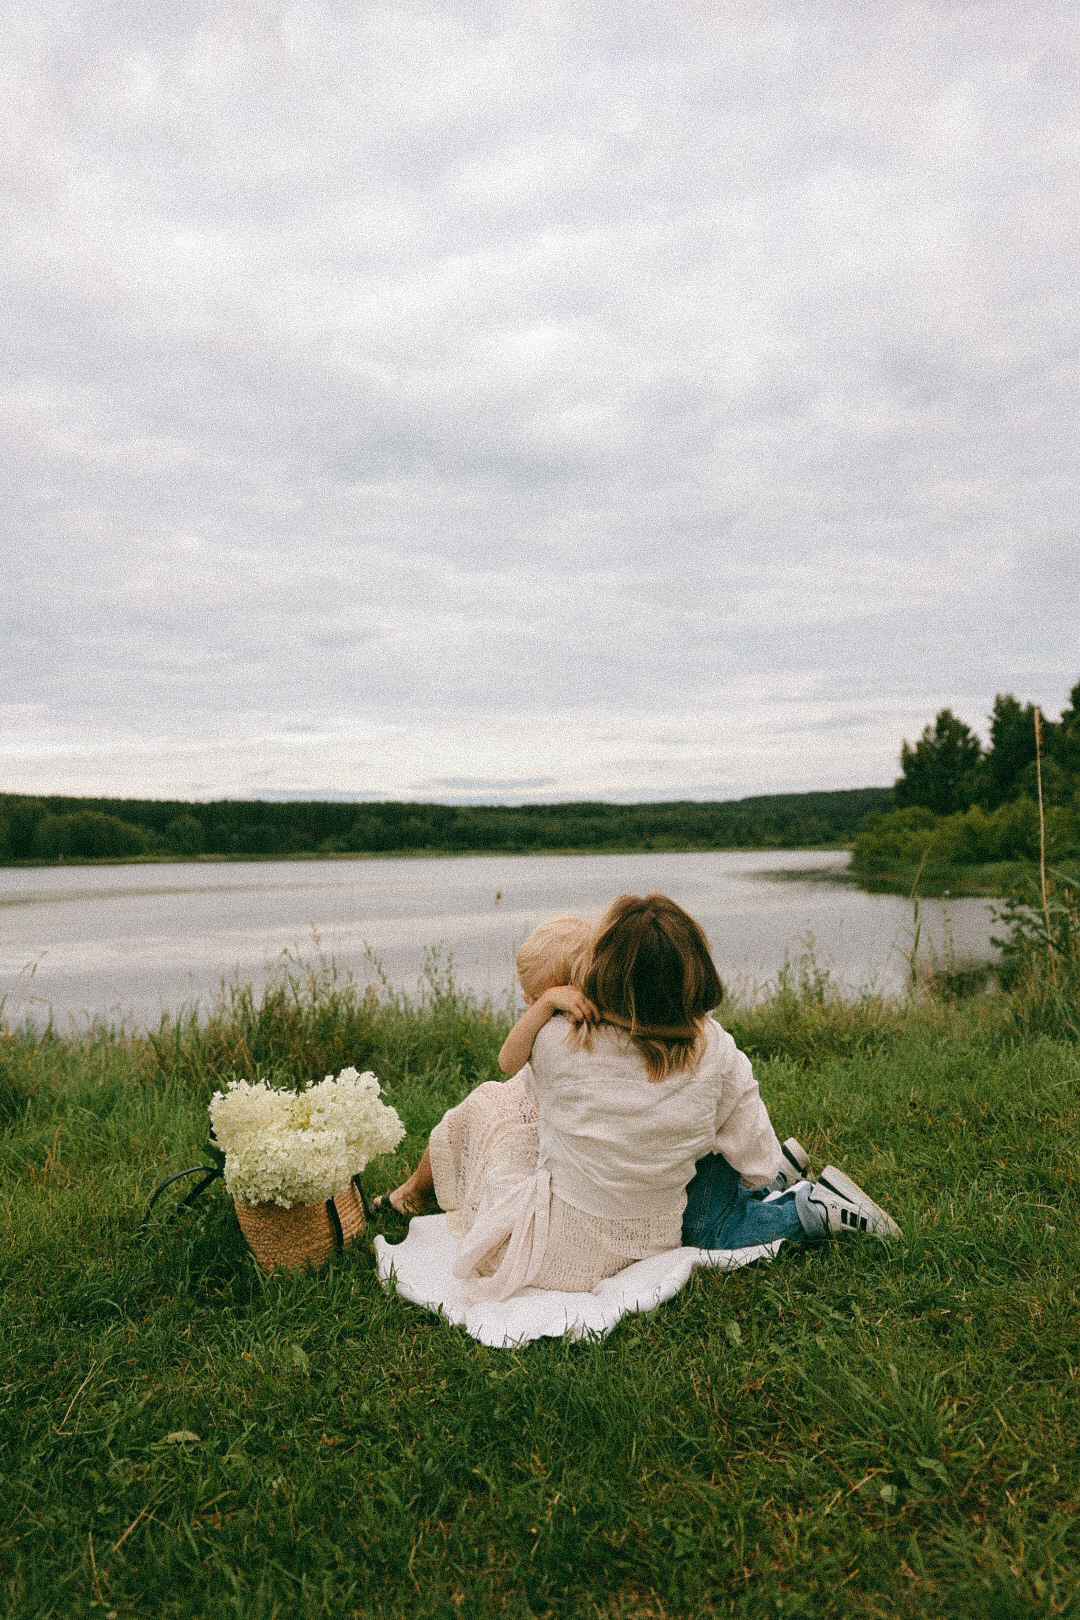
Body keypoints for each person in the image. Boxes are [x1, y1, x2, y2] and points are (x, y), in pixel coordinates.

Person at [375, 895, 899, 1303]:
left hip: (565, 1248)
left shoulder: (556, 1042)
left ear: (601, 973)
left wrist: (550, 1004)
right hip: (653, 1232)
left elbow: (512, 1067)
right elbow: (755, 1156)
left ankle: (809, 1209)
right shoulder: (718, 1050)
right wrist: (762, 1174)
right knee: (711, 1146)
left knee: (494, 1110)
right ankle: (789, 1189)